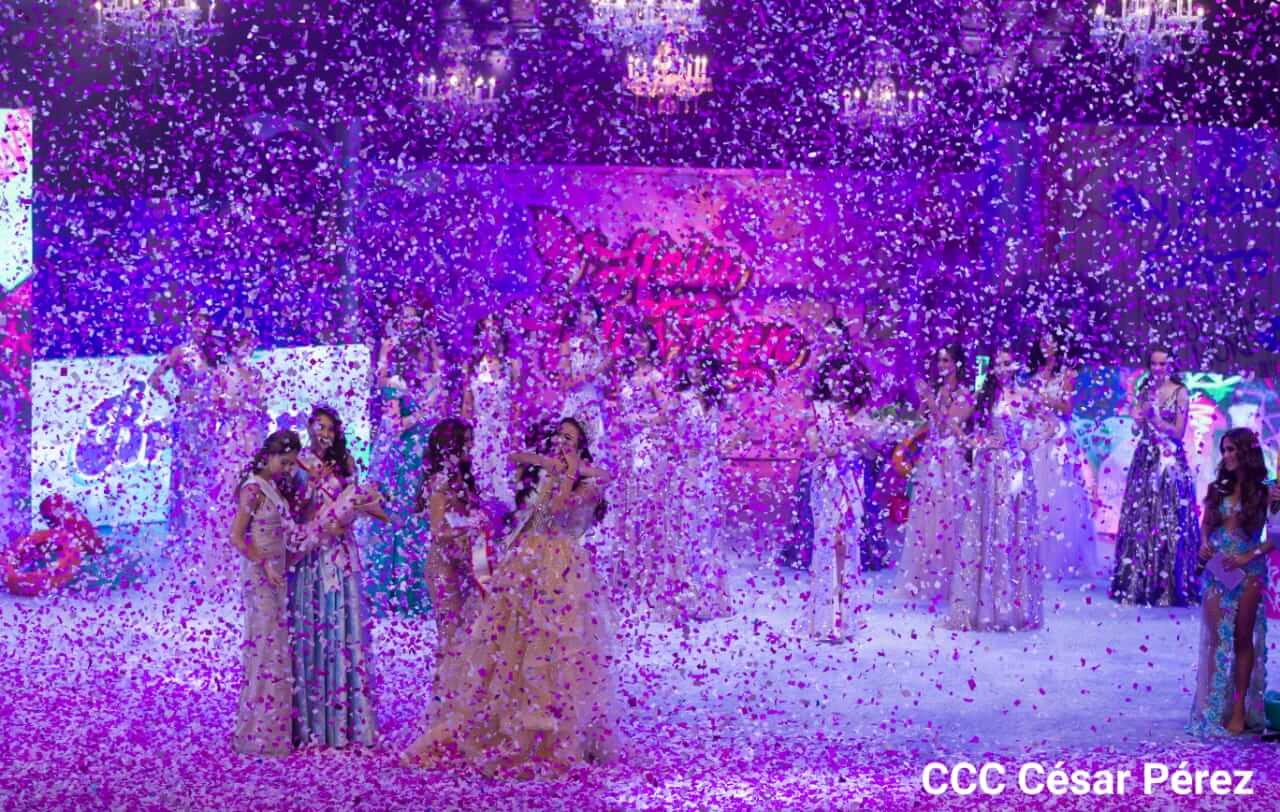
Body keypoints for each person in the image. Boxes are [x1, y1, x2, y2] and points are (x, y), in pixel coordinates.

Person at [401, 418, 618, 776]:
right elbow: (516, 458)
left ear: (582, 445)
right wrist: (549, 465)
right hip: (526, 562)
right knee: (513, 642)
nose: (561, 443)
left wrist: (567, 472)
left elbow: (559, 508)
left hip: (563, 569)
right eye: (558, 436)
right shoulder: (547, 471)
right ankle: (510, 724)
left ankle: (557, 734)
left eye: (569, 438)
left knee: (559, 647)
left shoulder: (590, 481)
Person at [288, 405, 385, 750]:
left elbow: (356, 504)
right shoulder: (297, 464)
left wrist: (352, 513)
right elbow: (293, 511)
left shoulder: (345, 463)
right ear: (309, 427)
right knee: (314, 628)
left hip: (340, 554)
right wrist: (312, 490)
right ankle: (312, 722)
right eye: (320, 426)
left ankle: (346, 722)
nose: (325, 434)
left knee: (341, 627)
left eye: (330, 428)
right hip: (312, 556)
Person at [947, 348, 1043, 632]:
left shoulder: (1024, 394)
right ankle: (987, 608)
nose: (1001, 369)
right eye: (997, 364)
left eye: (1006, 363)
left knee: (1013, 530)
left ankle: (1013, 607)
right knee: (990, 530)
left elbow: (1051, 424)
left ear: (1014, 365)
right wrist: (976, 442)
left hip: (1016, 471)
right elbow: (954, 422)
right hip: (990, 471)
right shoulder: (985, 395)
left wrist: (1030, 443)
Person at [1188, 429, 1274, 736]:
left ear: (1247, 453)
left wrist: (1248, 555)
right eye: (1224, 450)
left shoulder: (1266, 491)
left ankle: (1239, 711)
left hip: (1249, 571)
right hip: (1218, 569)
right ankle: (1213, 709)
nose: (1227, 455)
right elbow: (1205, 526)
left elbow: (1275, 538)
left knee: (1242, 639)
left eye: (1233, 449)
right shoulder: (1217, 488)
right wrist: (1204, 545)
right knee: (1216, 639)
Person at [365, 302, 446, 616]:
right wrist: (384, 355)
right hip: (396, 452)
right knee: (392, 510)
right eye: (405, 320)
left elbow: (434, 394)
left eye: (414, 320)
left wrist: (416, 418)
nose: (410, 326)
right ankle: (390, 590)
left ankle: (416, 589)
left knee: (418, 512)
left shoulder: (428, 376)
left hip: (418, 449)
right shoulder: (394, 377)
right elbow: (382, 388)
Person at [227, 429, 301, 757]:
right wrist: (264, 563)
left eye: (292, 463)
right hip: (261, 576)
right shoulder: (253, 488)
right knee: (265, 646)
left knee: (275, 647)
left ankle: (273, 730)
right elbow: (236, 536)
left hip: (277, 574)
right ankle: (257, 733)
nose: (288, 469)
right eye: (284, 462)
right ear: (269, 456)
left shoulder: (272, 486)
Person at [1109, 346, 1200, 607]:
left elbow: (1179, 433)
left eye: (1163, 364)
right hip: (1145, 458)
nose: (1158, 369)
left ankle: (1166, 584)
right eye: (1154, 364)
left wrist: (1156, 419)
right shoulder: (1145, 390)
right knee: (1142, 518)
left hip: (1169, 462)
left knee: (1168, 518)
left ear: (1171, 365)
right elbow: (1138, 428)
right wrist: (1138, 419)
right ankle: (1138, 582)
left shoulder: (1180, 392)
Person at [897, 344, 973, 606]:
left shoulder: (965, 395)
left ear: (957, 364)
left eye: (946, 360)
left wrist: (931, 399)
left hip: (951, 462)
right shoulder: (938, 390)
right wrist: (924, 401)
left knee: (948, 517)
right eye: (939, 360)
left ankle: (950, 579)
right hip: (931, 459)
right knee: (926, 518)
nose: (942, 365)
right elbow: (924, 420)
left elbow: (948, 426)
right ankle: (925, 577)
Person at [663, 349, 734, 622]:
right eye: (691, 367)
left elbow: (744, 428)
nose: (694, 372)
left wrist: (727, 446)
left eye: (699, 367)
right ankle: (687, 598)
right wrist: (680, 445)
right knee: (688, 530)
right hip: (688, 469)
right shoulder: (681, 398)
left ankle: (710, 598)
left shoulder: (716, 399)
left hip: (711, 470)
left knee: (709, 532)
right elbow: (668, 429)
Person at [1027, 329, 1098, 579]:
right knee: (1036, 490)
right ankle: (1033, 553)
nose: (1045, 345)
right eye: (1042, 340)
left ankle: (1058, 556)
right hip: (1037, 434)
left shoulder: (1067, 374)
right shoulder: (1035, 374)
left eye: (1050, 341)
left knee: (1059, 494)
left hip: (1057, 437)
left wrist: (1044, 399)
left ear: (1058, 345)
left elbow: (1067, 409)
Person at [463, 314, 520, 510]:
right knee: (481, 482)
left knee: (504, 482)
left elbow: (517, 404)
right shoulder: (471, 365)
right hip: (479, 433)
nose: (490, 334)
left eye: (494, 329)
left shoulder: (511, 364)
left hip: (503, 433)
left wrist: (515, 436)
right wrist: (466, 438)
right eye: (485, 329)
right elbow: (467, 404)